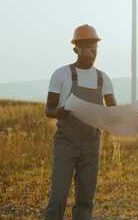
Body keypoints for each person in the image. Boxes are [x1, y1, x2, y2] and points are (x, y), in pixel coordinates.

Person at [43, 24, 116, 220]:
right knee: (58, 197)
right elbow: (48, 110)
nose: (91, 51)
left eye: (94, 47)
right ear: (75, 48)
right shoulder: (61, 74)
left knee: (85, 199)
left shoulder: (103, 79)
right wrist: (62, 112)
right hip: (66, 142)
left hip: (91, 144)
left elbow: (113, 113)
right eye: (85, 47)